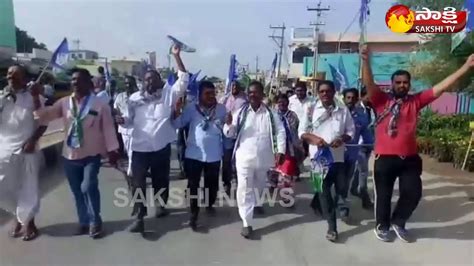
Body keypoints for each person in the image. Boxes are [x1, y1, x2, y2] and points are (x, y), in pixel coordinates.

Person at [361, 45, 474, 242]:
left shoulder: (416, 101)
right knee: (384, 196)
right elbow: (369, 84)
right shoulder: (380, 100)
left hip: (410, 159)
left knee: (413, 192)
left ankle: (399, 221)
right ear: (392, 84)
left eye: (405, 82)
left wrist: (466, 67)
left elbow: (442, 87)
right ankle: (382, 226)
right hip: (385, 159)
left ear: (409, 85)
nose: (402, 85)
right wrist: (364, 60)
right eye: (398, 82)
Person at [36, 68, 119, 239]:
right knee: (77, 191)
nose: (74, 82)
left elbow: (109, 129)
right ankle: (84, 222)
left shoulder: (99, 105)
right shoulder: (64, 103)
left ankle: (95, 221)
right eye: (72, 79)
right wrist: (35, 98)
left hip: (92, 154)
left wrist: (113, 151)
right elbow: (45, 116)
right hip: (70, 155)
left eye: (79, 79)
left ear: (88, 83)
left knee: (88, 186)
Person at [115, 45, 188, 233]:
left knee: (161, 180)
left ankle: (161, 205)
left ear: (160, 82)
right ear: (142, 82)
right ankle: (139, 217)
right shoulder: (133, 99)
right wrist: (120, 120)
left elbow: (184, 79)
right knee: (138, 183)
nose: (149, 83)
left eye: (153, 80)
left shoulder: (168, 95)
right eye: (146, 80)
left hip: (161, 148)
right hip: (140, 149)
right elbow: (129, 121)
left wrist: (176, 56)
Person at [223, 81, 286, 239]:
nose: (253, 95)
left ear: (262, 94)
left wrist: (281, 150)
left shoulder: (271, 114)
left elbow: (280, 131)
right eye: (250, 92)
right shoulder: (241, 112)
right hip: (244, 157)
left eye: (256, 92)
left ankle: (257, 204)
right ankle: (246, 222)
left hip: (264, 158)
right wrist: (228, 124)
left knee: (259, 184)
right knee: (244, 188)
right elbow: (229, 133)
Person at [299, 80, 354, 242]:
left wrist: (342, 138)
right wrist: (314, 138)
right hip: (318, 160)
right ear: (318, 93)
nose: (325, 94)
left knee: (341, 190)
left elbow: (351, 130)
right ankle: (332, 227)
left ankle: (320, 203)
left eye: (328, 91)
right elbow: (301, 132)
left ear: (333, 91)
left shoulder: (342, 110)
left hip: (338, 159)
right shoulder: (310, 110)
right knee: (324, 193)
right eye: (322, 91)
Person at [0, 65, 47, 241]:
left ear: (25, 78)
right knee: (4, 186)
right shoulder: (2, 96)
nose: (10, 76)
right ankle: (18, 215)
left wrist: (33, 140)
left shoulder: (34, 96)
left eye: (15, 73)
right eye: (9, 73)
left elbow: (43, 121)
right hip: (4, 149)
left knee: (28, 186)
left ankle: (29, 222)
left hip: (27, 148)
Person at [172, 81, 226, 230]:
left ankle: (209, 204)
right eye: (207, 93)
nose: (211, 96)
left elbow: (228, 128)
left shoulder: (221, 109)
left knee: (212, 185)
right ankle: (194, 214)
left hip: (214, 155)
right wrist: (177, 113)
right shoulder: (191, 109)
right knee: (193, 185)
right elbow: (178, 125)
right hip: (193, 154)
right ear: (199, 95)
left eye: (212, 93)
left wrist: (228, 123)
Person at [342, 88, 374, 212]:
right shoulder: (337, 113)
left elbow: (366, 133)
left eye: (353, 98)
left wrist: (372, 145)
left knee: (347, 179)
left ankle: (343, 205)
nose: (350, 100)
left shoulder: (362, 115)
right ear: (344, 99)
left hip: (353, 152)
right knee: (337, 180)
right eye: (348, 98)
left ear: (357, 99)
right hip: (336, 153)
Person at [272, 93, 302, 204]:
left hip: (290, 149)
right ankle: (274, 184)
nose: (281, 104)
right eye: (279, 102)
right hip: (276, 148)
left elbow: (295, 131)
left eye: (283, 102)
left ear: (288, 103)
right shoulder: (272, 115)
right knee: (275, 170)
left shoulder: (293, 116)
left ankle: (286, 196)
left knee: (287, 173)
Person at [219, 81, 247, 196]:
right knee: (226, 160)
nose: (234, 88)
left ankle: (238, 183)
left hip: (241, 134)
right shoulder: (225, 99)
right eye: (232, 86)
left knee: (238, 160)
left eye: (236, 86)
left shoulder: (245, 100)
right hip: (228, 134)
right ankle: (226, 182)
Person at [350, 87, 375, 209]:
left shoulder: (371, 108)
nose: (371, 98)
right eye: (369, 96)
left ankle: (354, 189)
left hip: (369, 144)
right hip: (359, 145)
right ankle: (365, 199)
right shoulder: (356, 109)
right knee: (364, 172)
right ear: (363, 96)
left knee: (359, 170)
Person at [113, 76, 138, 187]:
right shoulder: (120, 97)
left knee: (133, 152)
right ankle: (132, 169)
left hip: (136, 128)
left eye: (130, 83)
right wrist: (117, 116)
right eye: (126, 83)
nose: (128, 85)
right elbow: (116, 109)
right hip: (124, 129)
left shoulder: (139, 96)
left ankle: (131, 173)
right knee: (128, 151)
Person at [288, 81, 315, 180]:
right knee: (294, 151)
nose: (300, 93)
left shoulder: (312, 101)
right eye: (298, 91)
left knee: (305, 152)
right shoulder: (290, 101)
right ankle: (295, 170)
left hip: (307, 130)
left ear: (306, 91)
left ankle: (298, 166)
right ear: (295, 91)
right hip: (293, 130)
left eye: (302, 91)